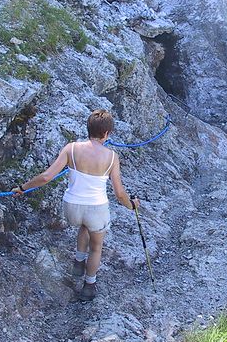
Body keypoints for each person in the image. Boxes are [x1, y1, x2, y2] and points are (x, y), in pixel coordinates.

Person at [12, 109, 139, 301]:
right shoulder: (111, 157)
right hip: (96, 209)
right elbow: (120, 194)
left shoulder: (71, 148)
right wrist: (132, 205)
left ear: (88, 128)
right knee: (96, 247)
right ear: (106, 133)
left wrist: (23, 187)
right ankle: (89, 285)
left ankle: (78, 263)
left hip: (72, 208)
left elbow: (46, 176)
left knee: (84, 226)